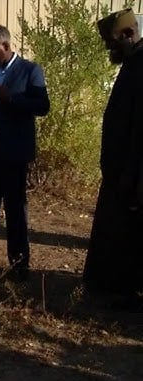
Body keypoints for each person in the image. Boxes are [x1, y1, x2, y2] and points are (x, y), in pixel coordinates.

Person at [0, 24, 50, 280]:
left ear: (4, 45)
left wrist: (11, 100)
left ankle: (18, 264)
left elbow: (42, 106)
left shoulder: (29, 70)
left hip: (13, 153)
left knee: (15, 209)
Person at [83, 9, 143, 296]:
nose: (110, 49)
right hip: (120, 169)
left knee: (128, 234)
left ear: (129, 34)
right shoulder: (133, 63)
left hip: (132, 171)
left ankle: (124, 292)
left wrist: (130, 174)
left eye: (113, 43)